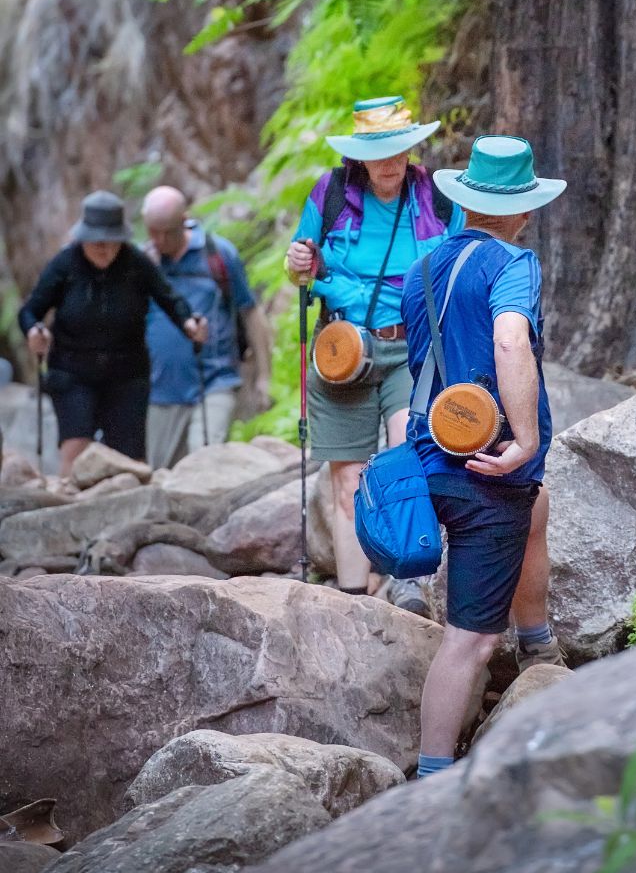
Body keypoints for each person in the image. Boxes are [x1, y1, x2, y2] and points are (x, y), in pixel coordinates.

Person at [400, 135, 566, 778]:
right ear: (524, 209)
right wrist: (523, 441)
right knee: (469, 640)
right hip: (487, 467)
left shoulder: (422, 268)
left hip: (428, 452)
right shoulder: (513, 263)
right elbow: (507, 340)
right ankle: (435, 776)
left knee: (539, 504)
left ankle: (536, 642)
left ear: (465, 203)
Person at [286, 96, 464, 609]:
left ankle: (406, 580)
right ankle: (351, 600)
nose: (390, 162)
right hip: (341, 351)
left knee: (401, 457)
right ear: (359, 155)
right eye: (379, 152)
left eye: (400, 150)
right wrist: (300, 263)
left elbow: (455, 266)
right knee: (347, 480)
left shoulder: (436, 199)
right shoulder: (333, 193)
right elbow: (299, 269)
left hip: (410, 348)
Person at [18, 191, 206, 478]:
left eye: (112, 242)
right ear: (83, 239)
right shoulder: (65, 265)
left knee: (129, 456)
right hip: (72, 371)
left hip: (127, 374)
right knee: (75, 445)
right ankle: (71, 507)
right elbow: (31, 310)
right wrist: (34, 331)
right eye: (97, 243)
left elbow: (170, 299)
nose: (104, 249)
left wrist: (188, 324)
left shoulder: (136, 263)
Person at [142, 186, 271, 469]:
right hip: (160, 389)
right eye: (154, 232)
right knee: (161, 474)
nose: (161, 240)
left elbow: (250, 313)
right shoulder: (143, 262)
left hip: (214, 381)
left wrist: (264, 376)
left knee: (203, 465)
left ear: (185, 220)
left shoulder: (218, 255)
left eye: (169, 232)